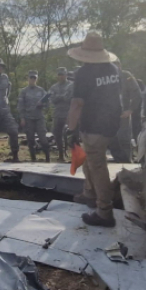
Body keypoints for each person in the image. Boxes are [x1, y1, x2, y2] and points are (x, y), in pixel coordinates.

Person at [66, 32, 123, 228]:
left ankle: (104, 211)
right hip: (111, 123)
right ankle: (89, 193)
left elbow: (76, 104)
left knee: (98, 166)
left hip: (93, 125)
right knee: (90, 159)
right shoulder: (113, 69)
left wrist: (71, 129)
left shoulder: (84, 73)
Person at [18, 70, 50, 162]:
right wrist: (22, 118)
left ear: (36, 79)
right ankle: (33, 159)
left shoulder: (41, 90)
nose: (32, 79)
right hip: (28, 118)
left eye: (34, 78)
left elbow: (48, 103)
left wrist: (42, 104)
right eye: (31, 77)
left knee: (43, 138)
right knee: (30, 139)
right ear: (28, 78)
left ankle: (47, 158)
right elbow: (20, 106)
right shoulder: (23, 91)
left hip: (39, 117)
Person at [48, 68, 74, 162]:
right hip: (58, 113)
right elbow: (52, 99)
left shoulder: (71, 85)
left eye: (63, 74)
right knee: (57, 134)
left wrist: (59, 97)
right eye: (59, 75)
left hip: (69, 112)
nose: (61, 76)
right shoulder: (54, 87)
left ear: (66, 75)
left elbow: (71, 98)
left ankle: (74, 156)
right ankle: (61, 155)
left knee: (72, 135)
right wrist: (62, 97)